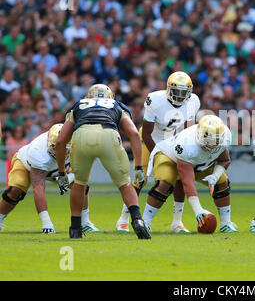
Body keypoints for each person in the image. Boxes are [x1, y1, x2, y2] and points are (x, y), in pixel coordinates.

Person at [55, 84, 150, 239]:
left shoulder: (78, 105)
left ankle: (75, 228)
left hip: (81, 135)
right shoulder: (116, 105)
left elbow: (60, 141)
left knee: (79, 183)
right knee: (124, 183)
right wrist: (138, 166)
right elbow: (133, 133)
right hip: (108, 134)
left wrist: (61, 172)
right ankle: (138, 220)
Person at [115, 71, 200, 233]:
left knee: (180, 178)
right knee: (141, 178)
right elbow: (146, 133)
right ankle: (123, 219)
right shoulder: (155, 100)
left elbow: (188, 131)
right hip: (150, 140)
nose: (181, 96)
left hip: (173, 141)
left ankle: (177, 222)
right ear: (169, 90)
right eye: (177, 92)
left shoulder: (194, 101)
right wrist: (159, 154)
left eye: (184, 92)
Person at [145, 115, 238, 232]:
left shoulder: (226, 136)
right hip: (168, 155)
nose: (213, 145)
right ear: (200, 135)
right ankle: (145, 222)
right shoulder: (186, 144)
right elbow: (188, 183)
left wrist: (215, 176)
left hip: (199, 162)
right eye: (209, 141)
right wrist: (198, 211)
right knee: (165, 183)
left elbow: (225, 160)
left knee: (222, 182)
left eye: (216, 141)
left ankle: (225, 223)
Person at [0, 124, 98, 233]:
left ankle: (84, 222)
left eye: (65, 149)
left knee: (81, 186)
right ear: (49, 142)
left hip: (59, 169)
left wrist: (68, 179)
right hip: (27, 165)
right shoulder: (37, 151)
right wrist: (46, 223)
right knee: (16, 190)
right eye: (56, 148)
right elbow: (38, 189)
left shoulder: (78, 144)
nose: (61, 152)